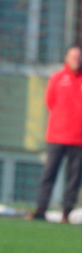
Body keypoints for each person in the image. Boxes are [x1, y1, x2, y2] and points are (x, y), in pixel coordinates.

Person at [27, 45, 82, 224]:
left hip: (79, 139)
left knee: (74, 178)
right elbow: (50, 101)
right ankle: (41, 209)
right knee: (49, 174)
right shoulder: (57, 78)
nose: (76, 60)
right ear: (67, 58)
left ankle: (66, 213)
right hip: (57, 136)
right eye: (73, 56)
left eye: (79, 57)